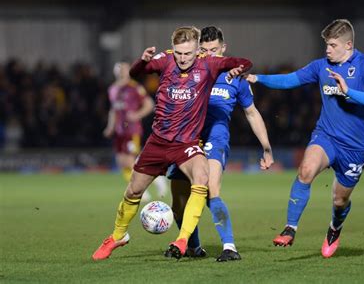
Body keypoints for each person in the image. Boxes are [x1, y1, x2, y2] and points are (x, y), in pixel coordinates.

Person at [92, 26, 252, 260]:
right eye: (179, 53)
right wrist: (142, 61)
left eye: (188, 53)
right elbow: (137, 73)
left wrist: (240, 67)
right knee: (133, 190)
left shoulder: (209, 63)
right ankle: (118, 236)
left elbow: (245, 61)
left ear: (197, 50)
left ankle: (183, 238)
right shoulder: (165, 60)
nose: (183, 58)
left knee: (202, 177)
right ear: (173, 49)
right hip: (158, 142)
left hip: (185, 144)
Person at [246, 19, 364, 258]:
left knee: (339, 200)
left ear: (348, 45)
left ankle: (335, 228)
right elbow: (291, 79)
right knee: (306, 171)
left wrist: (348, 91)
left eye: (332, 45)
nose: (327, 50)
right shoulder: (321, 66)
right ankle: (290, 228)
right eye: (326, 45)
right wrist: (258, 79)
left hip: (355, 146)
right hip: (326, 135)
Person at [166, 26, 274, 262]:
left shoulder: (235, 77)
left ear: (223, 48)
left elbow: (252, 113)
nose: (209, 55)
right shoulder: (188, 70)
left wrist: (266, 147)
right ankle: (193, 248)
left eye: (214, 50)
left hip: (215, 137)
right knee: (178, 205)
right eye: (203, 50)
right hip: (186, 138)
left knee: (210, 190)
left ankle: (229, 247)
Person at [103, 62, 168, 201]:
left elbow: (149, 104)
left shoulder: (134, 88)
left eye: (125, 69)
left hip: (132, 129)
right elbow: (113, 110)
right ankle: (138, 186)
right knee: (122, 162)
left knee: (130, 160)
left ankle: (152, 182)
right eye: (120, 69)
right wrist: (110, 126)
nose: (122, 72)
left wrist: (137, 115)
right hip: (119, 130)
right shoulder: (112, 89)